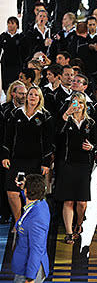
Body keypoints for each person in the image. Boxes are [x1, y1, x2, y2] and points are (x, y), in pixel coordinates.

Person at [2, 86, 53, 226]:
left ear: (40, 98)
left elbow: (49, 142)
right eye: (30, 94)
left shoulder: (45, 116)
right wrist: (5, 156)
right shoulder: (15, 114)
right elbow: (8, 137)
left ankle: (31, 222)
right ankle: (19, 222)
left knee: (32, 194)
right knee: (12, 192)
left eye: (36, 95)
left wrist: (46, 162)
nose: (32, 97)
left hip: (36, 162)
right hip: (16, 160)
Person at [56, 91, 97, 244]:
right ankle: (68, 232)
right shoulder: (65, 120)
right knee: (68, 200)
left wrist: (92, 147)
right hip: (67, 163)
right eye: (74, 102)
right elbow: (57, 134)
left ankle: (78, 224)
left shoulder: (90, 123)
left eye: (80, 103)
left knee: (81, 202)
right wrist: (67, 114)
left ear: (84, 105)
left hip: (84, 165)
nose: (78, 106)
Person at [12, 174, 50, 283]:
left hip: (29, 270)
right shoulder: (40, 203)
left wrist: (30, 278)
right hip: (25, 264)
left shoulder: (37, 218)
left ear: (27, 191)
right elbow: (30, 198)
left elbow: (36, 249)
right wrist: (24, 187)